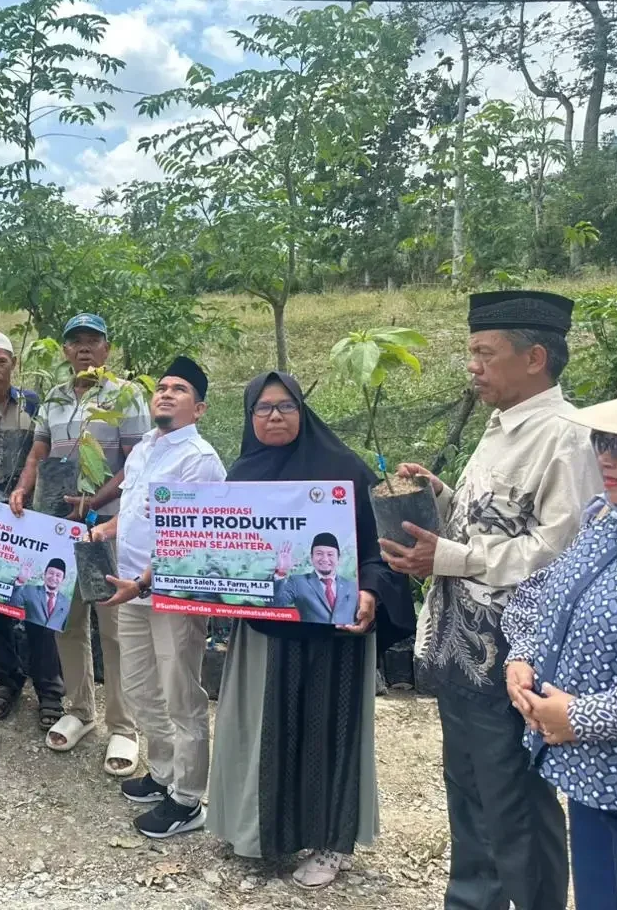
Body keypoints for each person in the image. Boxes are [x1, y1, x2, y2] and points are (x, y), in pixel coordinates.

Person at [382, 291, 598, 910]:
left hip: (514, 652)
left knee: (515, 802)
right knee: (470, 791)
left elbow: (560, 554)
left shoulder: (566, 438)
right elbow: (489, 523)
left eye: (484, 353)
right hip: (462, 647)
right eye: (471, 353)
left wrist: (450, 558)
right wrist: (440, 497)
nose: (472, 367)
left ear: (534, 358)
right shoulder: (501, 428)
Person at [207, 372, 410, 888]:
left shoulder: (343, 469)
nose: (274, 416)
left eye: (285, 406)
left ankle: (331, 843)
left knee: (328, 733)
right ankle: (262, 833)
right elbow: (219, 551)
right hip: (265, 632)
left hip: (332, 633)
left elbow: (383, 547)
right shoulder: (242, 475)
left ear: (303, 411)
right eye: (263, 408)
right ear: (249, 417)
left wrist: (370, 590)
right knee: (263, 730)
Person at [500, 376, 617, 909]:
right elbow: (540, 594)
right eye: (603, 440)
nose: (607, 457)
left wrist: (577, 716)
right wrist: (522, 656)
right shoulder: (606, 518)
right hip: (594, 776)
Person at [87, 357, 226, 839]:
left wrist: (145, 581)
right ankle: (163, 773)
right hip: (130, 588)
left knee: (181, 694)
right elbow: (134, 512)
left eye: (179, 389)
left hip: (172, 594)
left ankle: (187, 798)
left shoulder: (199, 460)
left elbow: (195, 539)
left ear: (199, 408)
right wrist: (105, 530)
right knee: (140, 689)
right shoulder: (145, 447)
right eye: (162, 387)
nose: (165, 393)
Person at [9, 313, 145, 776]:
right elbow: (39, 452)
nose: (84, 348)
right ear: (65, 351)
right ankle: (80, 709)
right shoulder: (54, 397)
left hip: (107, 526)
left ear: (107, 348)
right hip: (59, 527)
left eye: (93, 341)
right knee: (67, 622)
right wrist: (23, 488)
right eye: (75, 342)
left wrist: (95, 501)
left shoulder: (126, 395)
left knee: (114, 627)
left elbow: (135, 463)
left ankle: (124, 727)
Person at [0, 331, 65, 730]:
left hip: (31, 516)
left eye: (1, 362)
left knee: (39, 600)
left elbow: (44, 454)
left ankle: (50, 686)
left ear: (14, 363)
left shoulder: (34, 404)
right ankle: (7, 678)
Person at [273, 533, 359, 624]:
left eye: (330, 554)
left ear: (338, 558)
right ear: (311, 557)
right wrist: (281, 571)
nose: (325, 559)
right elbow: (276, 603)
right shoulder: (298, 582)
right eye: (319, 554)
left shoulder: (352, 586)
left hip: (345, 633)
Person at [12, 557, 72, 632]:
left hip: (52, 639)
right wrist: (20, 581)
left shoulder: (67, 603)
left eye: (58, 575)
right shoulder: (30, 590)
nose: (53, 578)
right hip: (28, 635)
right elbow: (13, 603)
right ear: (44, 574)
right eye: (51, 573)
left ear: (63, 579)